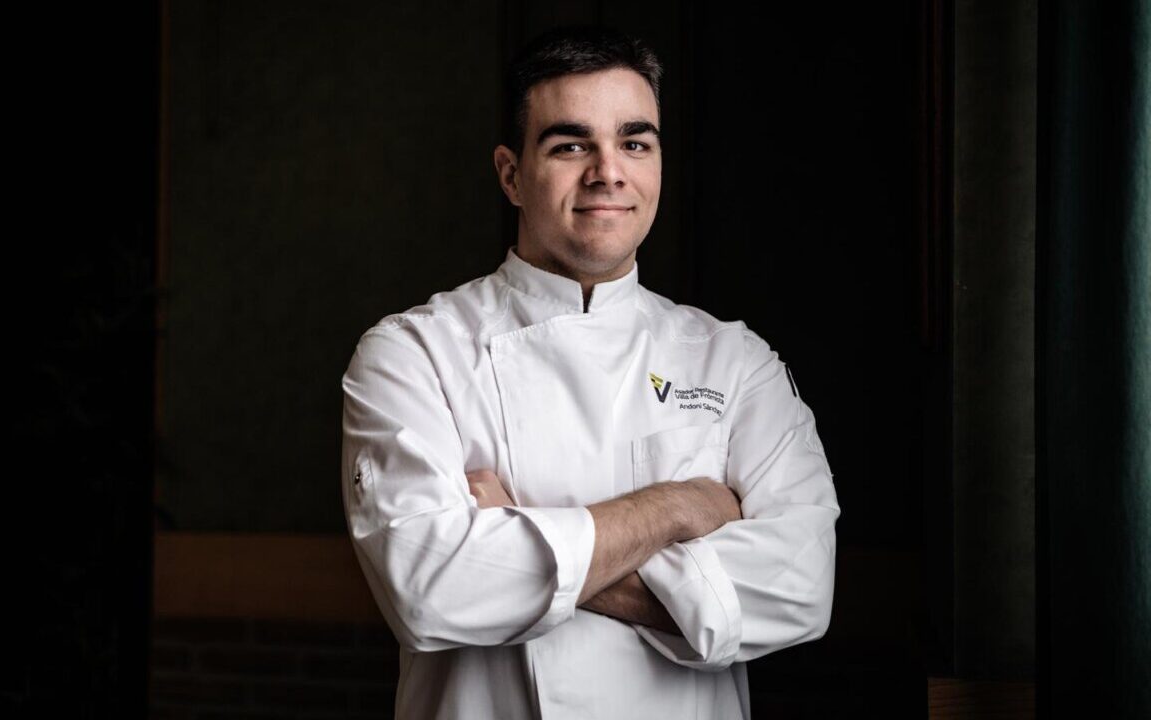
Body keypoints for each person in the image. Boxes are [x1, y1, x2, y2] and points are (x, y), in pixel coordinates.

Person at [341, 26, 839, 719]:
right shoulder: (413, 353)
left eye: (635, 143)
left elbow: (802, 586)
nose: (609, 171)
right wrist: (679, 507)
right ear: (511, 175)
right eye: (571, 144)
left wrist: (517, 529)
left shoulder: (735, 361)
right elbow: (433, 590)